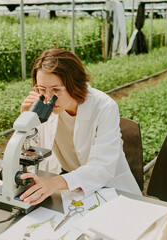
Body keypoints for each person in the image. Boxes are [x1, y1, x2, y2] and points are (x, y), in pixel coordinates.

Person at [19, 48, 141, 205]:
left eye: (56, 90)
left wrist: (56, 182)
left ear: (74, 84)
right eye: (42, 90)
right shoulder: (43, 105)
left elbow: (101, 168)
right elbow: (32, 150)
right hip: (71, 186)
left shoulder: (104, 107)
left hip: (110, 189)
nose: (49, 98)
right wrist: (26, 121)